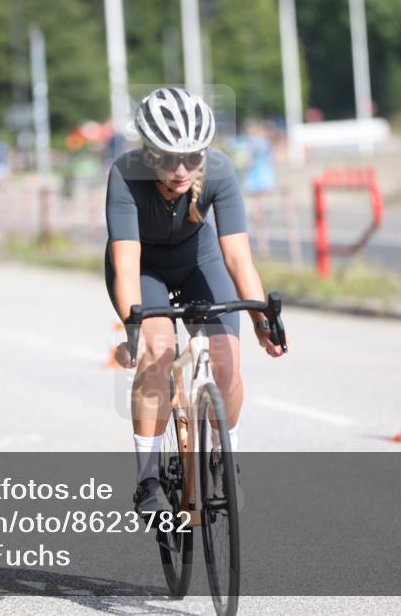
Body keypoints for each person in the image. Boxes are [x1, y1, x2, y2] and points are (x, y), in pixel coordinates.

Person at [105, 87, 286, 515]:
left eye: (192, 157)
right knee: (159, 354)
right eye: (169, 158)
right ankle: (148, 479)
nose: (182, 168)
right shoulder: (125, 174)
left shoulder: (220, 171)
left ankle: (226, 458)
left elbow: (238, 257)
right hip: (144, 267)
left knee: (227, 365)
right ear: (148, 153)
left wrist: (263, 319)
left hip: (198, 261)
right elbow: (127, 266)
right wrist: (134, 330)